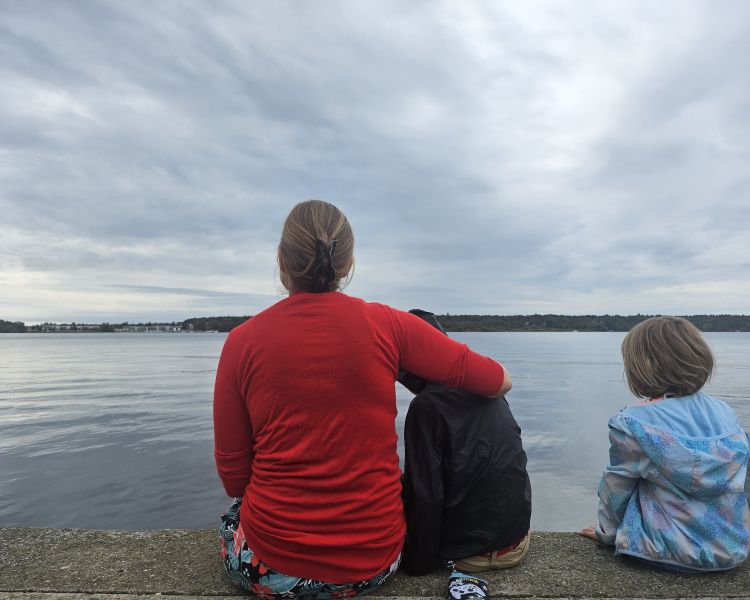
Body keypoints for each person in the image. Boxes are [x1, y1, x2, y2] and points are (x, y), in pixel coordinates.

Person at [213, 200, 512, 598]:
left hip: (273, 570)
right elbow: (497, 380)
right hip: (374, 563)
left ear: (281, 260)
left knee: (233, 518)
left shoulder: (241, 342)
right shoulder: (389, 325)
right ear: (348, 262)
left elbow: (235, 479)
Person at [578, 316, 750, 572]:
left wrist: (607, 533)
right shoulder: (726, 414)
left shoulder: (634, 423)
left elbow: (617, 487)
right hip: (731, 551)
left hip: (662, 551)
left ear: (640, 368)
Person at [399, 310, 531, 576]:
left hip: (470, 556)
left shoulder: (426, 406)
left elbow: (427, 496)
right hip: (517, 542)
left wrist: (416, 566)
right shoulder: (490, 389)